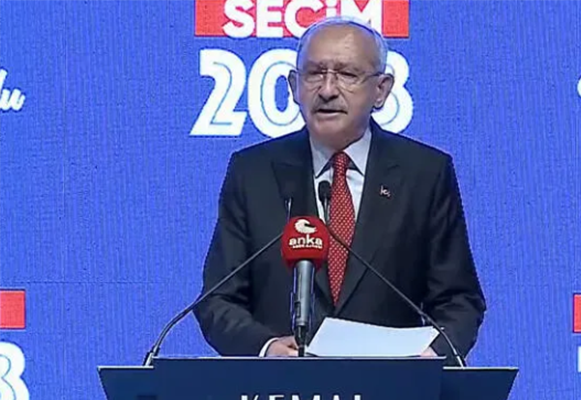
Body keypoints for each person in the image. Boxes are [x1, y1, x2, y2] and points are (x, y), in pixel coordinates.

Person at [193, 16, 486, 364]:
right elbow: (218, 300)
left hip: (391, 384)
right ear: (294, 86)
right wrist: (266, 347)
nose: (328, 89)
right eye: (315, 73)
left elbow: (458, 300)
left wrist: (431, 356)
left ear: (381, 90)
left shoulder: (424, 174)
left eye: (347, 74)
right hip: (281, 385)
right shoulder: (252, 172)